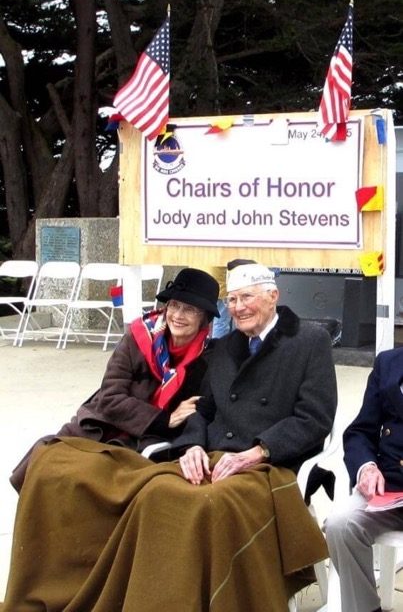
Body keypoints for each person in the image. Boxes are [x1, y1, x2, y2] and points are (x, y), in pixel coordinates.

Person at [2, 262, 337, 612]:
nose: (239, 307)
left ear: (273, 296)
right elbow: (203, 410)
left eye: (247, 297)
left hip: (269, 463)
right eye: (234, 300)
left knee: (202, 507)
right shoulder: (224, 348)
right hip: (213, 455)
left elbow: (314, 418)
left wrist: (258, 450)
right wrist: (191, 445)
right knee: (154, 493)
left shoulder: (310, 341)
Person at [9, 266, 220, 492]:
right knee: (46, 463)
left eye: (189, 309)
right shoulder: (139, 337)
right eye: (174, 305)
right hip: (102, 425)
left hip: (146, 440)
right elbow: (109, 398)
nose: (177, 315)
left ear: (205, 319)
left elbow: (202, 408)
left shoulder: (211, 355)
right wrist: (163, 419)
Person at [325, 347, 403, 612]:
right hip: (389, 488)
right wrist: (367, 468)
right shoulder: (389, 362)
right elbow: (361, 431)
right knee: (340, 525)